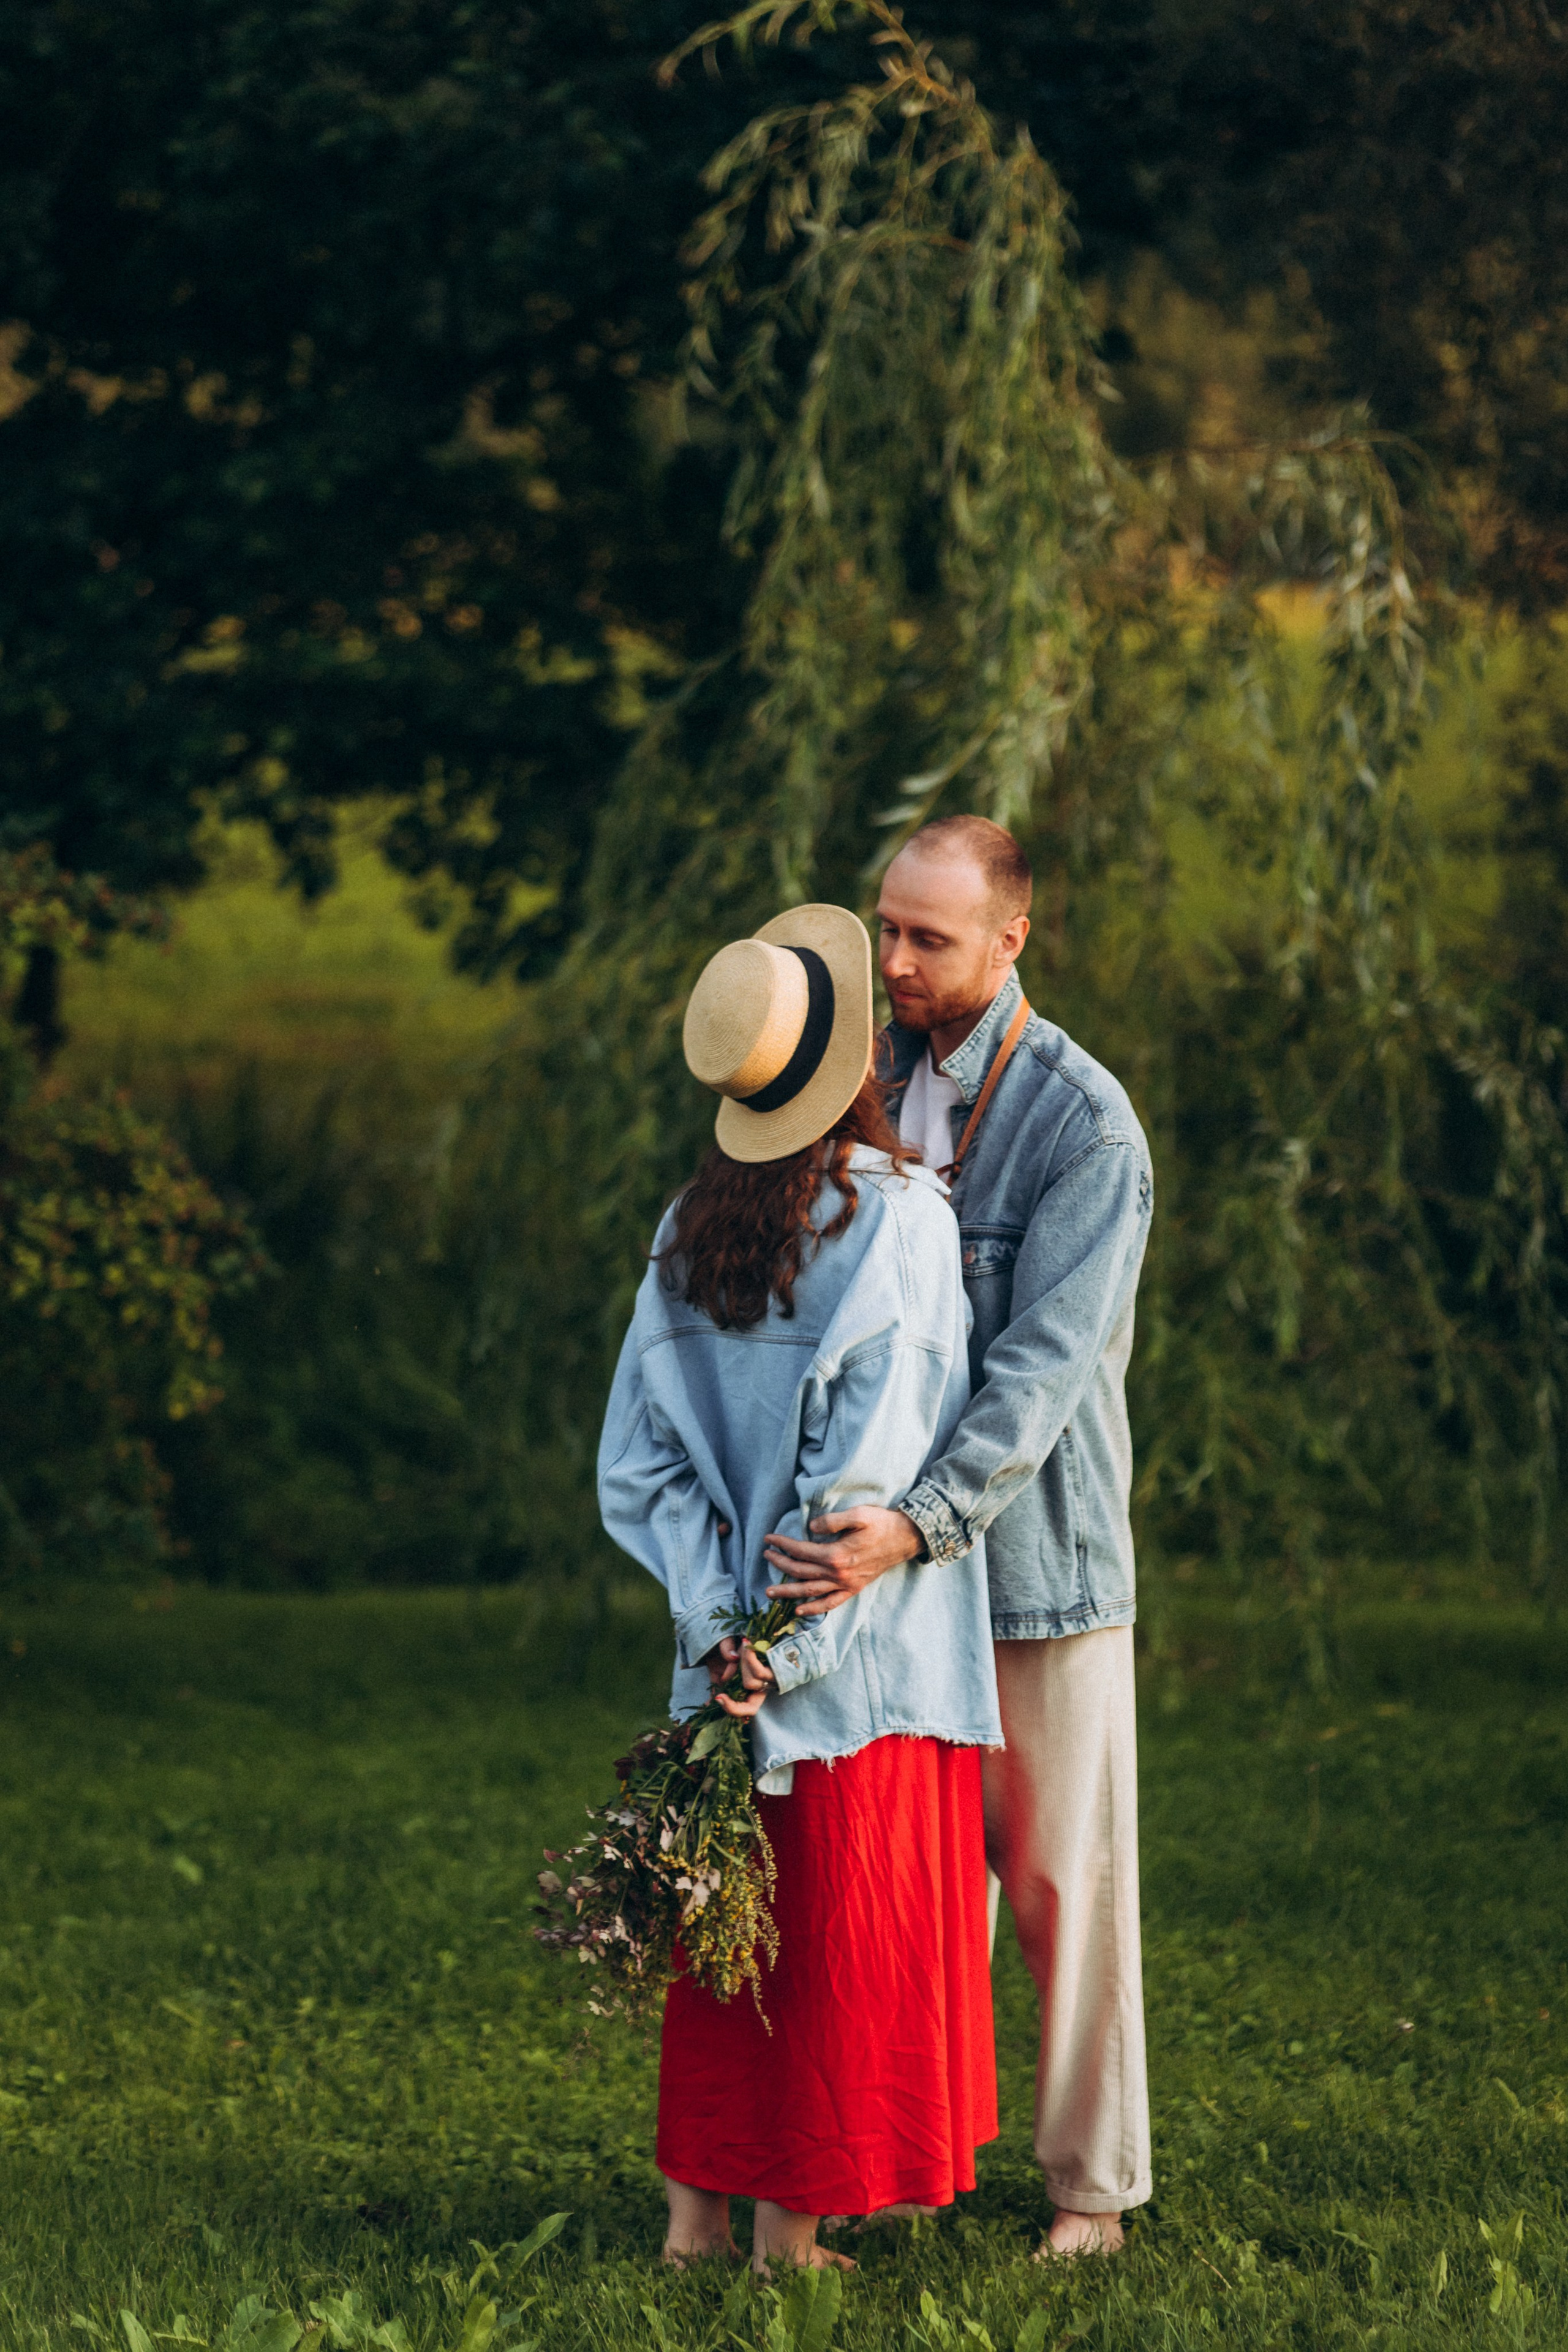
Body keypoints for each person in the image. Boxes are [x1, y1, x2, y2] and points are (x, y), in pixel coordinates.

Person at [764, 818, 1154, 2259]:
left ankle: (1089, 2195)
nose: (894, 962)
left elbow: (1040, 1374)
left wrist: (916, 1526)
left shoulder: (1082, 1124)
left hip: (1032, 1565)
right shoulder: (858, 1082)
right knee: (911, 1885)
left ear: (1010, 941)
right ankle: (896, 2158)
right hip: (889, 1573)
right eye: (885, 929)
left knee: (1059, 1887)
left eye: (928, 939)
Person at [597, 901, 1004, 2274]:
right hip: (853, 1668)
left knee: (724, 1932)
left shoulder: (690, 1223)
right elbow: (864, 1484)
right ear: (855, 1061)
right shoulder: (895, 1220)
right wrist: (789, 1650)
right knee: (834, 1942)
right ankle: (791, 2237)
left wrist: (715, 1628)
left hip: (721, 1658)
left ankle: (693, 2225)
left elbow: (641, 1464)